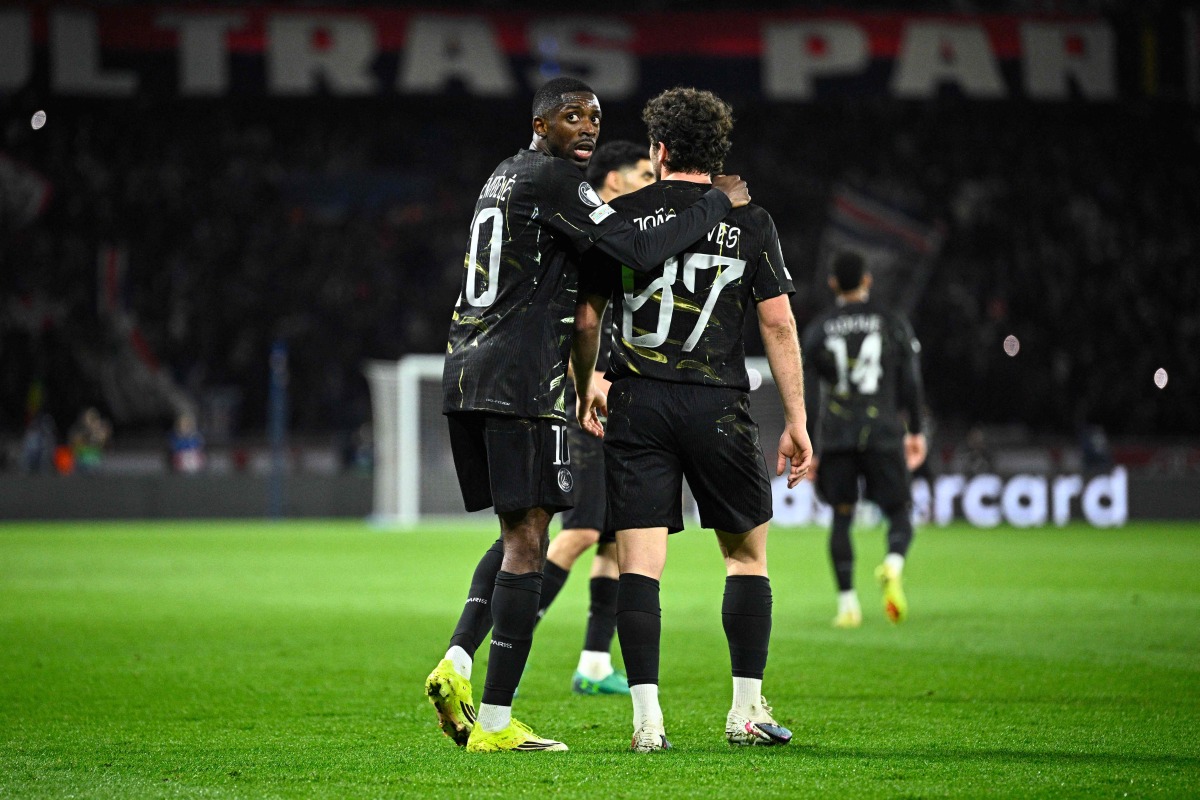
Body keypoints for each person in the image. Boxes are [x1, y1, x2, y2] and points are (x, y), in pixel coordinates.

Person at [425, 77, 751, 754]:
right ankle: (492, 723)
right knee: (529, 541)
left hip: (466, 370)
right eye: (572, 117)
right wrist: (718, 202)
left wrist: (581, 386)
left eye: (595, 118)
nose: (588, 127)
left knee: (524, 527)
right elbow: (634, 250)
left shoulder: (502, 176)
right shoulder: (553, 180)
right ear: (541, 124)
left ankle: (458, 658)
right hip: (518, 379)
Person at [573, 86, 811, 752]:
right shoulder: (751, 220)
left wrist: (590, 378)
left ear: (660, 148)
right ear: (716, 153)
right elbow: (779, 325)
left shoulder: (620, 214)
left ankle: (647, 721)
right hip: (717, 407)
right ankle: (745, 713)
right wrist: (797, 418)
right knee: (746, 559)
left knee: (639, 564)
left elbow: (588, 317)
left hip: (637, 402)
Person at [536, 141, 655, 698]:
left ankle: (593, 663)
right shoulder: (585, 236)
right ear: (612, 178)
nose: (652, 181)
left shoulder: (622, 238)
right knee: (582, 530)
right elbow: (567, 321)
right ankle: (510, 628)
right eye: (644, 173)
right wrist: (585, 382)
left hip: (614, 403)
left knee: (613, 539)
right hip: (580, 399)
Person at [801, 251, 927, 629]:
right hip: (883, 432)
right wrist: (916, 429)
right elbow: (911, 381)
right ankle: (892, 563)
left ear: (833, 283)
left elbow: (807, 392)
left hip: (837, 437)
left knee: (841, 517)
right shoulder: (891, 323)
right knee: (900, 512)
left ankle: (847, 605)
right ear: (868, 280)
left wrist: (809, 442)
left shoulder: (819, 330)